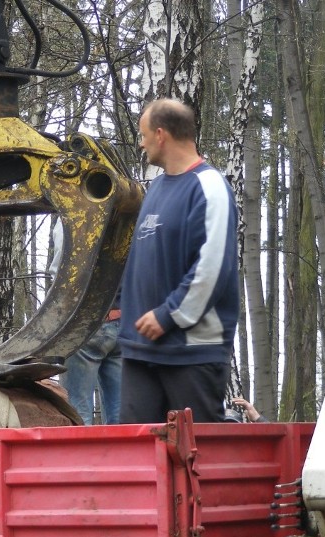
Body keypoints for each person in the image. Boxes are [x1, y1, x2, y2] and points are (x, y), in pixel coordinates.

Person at [118, 98, 239, 424]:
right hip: (140, 350)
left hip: (191, 352)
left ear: (161, 134)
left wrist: (168, 315)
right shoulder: (155, 188)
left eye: (143, 134)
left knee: (197, 462)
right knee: (139, 462)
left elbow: (212, 267)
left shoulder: (210, 186)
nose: (140, 142)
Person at [59, 295, 122, 425]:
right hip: (123, 322)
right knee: (119, 417)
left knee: (77, 414)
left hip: (84, 321)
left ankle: (80, 445)